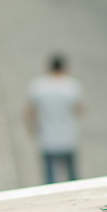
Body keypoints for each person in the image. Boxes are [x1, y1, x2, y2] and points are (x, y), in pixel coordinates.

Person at [26, 55, 84, 184]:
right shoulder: (71, 86)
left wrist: (32, 129)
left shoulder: (39, 85)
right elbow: (79, 109)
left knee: (49, 179)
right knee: (73, 178)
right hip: (68, 137)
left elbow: (30, 111)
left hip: (47, 137)